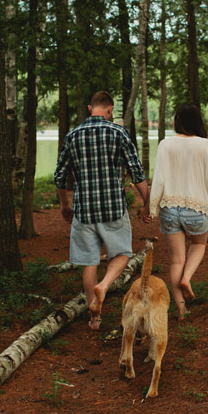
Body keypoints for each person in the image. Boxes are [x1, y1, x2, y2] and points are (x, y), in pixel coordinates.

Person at [54, 91, 151, 330]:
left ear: (90, 108)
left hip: (84, 210)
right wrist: (147, 202)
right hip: (113, 209)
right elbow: (136, 173)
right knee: (122, 254)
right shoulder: (118, 132)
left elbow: (59, 176)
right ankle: (105, 286)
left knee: (89, 262)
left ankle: (94, 318)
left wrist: (65, 205)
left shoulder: (73, 135)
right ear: (110, 110)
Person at [149, 104, 208, 320]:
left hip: (170, 208)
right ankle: (188, 278)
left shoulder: (165, 144)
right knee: (199, 244)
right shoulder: (204, 145)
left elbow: (159, 179)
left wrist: (152, 207)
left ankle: (182, 310)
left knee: (175, 261)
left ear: (178, 121)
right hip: (197, 209)